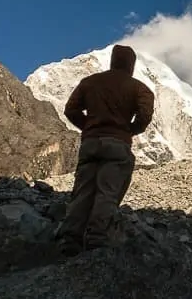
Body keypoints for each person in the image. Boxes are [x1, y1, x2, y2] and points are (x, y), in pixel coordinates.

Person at [56, 44, 155, 254]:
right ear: (132, 65)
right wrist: (128, 131)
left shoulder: (90, 82)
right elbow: (145, 116)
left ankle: (70, 239)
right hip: (117, 145)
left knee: (83, 191)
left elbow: (70, 109)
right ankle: (96, 238)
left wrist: (89, 127)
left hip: (90, 144)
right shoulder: (139, 88)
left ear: (112, 61)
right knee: (107, 192)